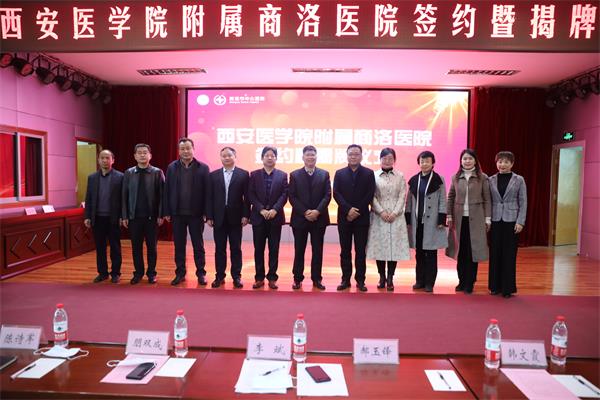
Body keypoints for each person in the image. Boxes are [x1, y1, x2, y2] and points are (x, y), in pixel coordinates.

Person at [164, 138, 211, 287]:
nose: (185, 151)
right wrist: (167, 211)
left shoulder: (203, 168)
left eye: (188, 148)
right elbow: (167, 190)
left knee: (198, 245)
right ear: (179, 151)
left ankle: (201, 273)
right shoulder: (172, 167)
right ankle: (180, 273)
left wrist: (207, 212)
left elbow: (207, 192)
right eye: (182, 149)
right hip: (177, 213)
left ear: (193, 149)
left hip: (196, 214)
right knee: (179, 245)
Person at [446, 149, 491, 294]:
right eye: (465, 159)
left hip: (476, 220)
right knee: (461, 252)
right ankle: (461, 281)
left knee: (473, 252)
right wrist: (449, 215)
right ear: (461, 161)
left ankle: (470, 282)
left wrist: (487, 218)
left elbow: (487, 199)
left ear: (475, 161)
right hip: (459, 220)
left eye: (470, 158)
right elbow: (450, 197)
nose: (467, 161)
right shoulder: (455, 177)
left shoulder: (482, 177)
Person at [333, 144, 376, 292]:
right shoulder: (339, 173)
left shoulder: (369, 173)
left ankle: (360, 280)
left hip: (361, 218)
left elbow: (370, 193)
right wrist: (348, 209)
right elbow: (336, 193)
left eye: (356, 154)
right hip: (344, 217)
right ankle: (345, 279)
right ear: (347, 155)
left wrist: (356, 210)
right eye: (351, 154)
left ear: (361, 156)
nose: (353, 156)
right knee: (345, 250)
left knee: (360, 251)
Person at [366, 148, 410, 291]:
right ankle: (381, 277)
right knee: (380, 247)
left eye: (390, 158)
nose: (387, 161)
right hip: (379, 216)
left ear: (394, 160)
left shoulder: (400, 176)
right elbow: (371, 196)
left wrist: (395, 213)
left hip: (396, 217)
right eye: (384, 158)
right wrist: (381, 211)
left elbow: (402, 195)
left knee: (393, 248)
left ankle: (390, 277)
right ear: (380, 159)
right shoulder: (373, 176)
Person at [206, 147, 250, 289]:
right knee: (220, 248)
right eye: (223, 156)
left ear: (235, 157)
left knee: (236, 248)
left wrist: (246, 215)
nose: (226, 158)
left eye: (229, 155)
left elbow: (247, 198)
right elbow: (209, 197)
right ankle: (219, 276)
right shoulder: (213, 175)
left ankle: (236, 276)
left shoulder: (243, 174)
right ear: (220, 158)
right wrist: (209, 216)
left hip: (236, 217)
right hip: (218, 217)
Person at [289, 145, 331, 291]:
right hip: (300, 219)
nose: (310, 157)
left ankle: (316, 278)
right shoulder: (294, 175)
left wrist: (317, 211)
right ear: (303, 157)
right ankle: (297, 278)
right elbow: (292, 196)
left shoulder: (324, 174)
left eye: (313, 155)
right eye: (308, 155)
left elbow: (327, 195)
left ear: (316, 157)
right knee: (299, 250)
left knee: (317, 250)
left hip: (319, 219)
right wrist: (306, 212)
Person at [122, 143, 165, 285]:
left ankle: (151, 273)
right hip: (134, 217)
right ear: (135, 156)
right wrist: (125, 215)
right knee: (136, 247)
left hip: (152, 217)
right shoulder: (129, 173)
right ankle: (138, 273)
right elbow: (124, 196)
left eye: (145, 152)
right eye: (139, 152)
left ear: (150, 155)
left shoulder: (157, 172)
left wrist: (161, 214)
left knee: (152, 248)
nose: (142, 155)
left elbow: (162, 196)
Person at [405, 151, 448, 293]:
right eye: (422, 161)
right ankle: (420, 281)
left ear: (433, 163)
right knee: (419, 253)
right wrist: (408, 219)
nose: (424, 164)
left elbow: (443, 200)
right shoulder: (414, 180)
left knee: (431, 254)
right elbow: (409, 201)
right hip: (417, 222)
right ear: (419, 163)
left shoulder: (438, 179)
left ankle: (430, 282)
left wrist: (441, 219)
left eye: (427, 161)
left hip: (432, 222)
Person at [248, 146, 289, 290]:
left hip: (275, 217)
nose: (270, 158)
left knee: (274, 249)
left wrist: (274, 209)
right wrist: (261, 209)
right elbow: (251, 194)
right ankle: (259, 278)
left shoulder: (282, 175)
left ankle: (272, 277)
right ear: (262, 158)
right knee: (258, 249)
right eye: (267, 155)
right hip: (258, 217)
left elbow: (284, 194)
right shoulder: (254, 175)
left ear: (276, 158)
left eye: (272, 155)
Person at [488, 151, 527, 298]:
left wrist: (520, 221)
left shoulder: (519, 179)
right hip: (495, 221)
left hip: (512, 221)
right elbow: (488, 201)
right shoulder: (490, 179)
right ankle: (494, 286)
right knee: (495, 253)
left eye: (506, 162)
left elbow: (523, 202)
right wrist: (487, 219)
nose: (502, 165)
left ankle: (507, 288)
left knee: (509, 255)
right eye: (500, 162)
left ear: (512, 164)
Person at [84, 149, 124, 284]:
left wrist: (122, 216)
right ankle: (102, 273)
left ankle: (115, 273)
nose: (105, 160)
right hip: (97, 218)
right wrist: (87, 216)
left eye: (107, 158)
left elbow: (123, 199)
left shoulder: (120, 177)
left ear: (113, 160)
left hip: (114, 218)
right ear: (98, 160)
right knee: (100, 248)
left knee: (115, 247)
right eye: (102, 158)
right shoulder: (92, 178)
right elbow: (89, 198)